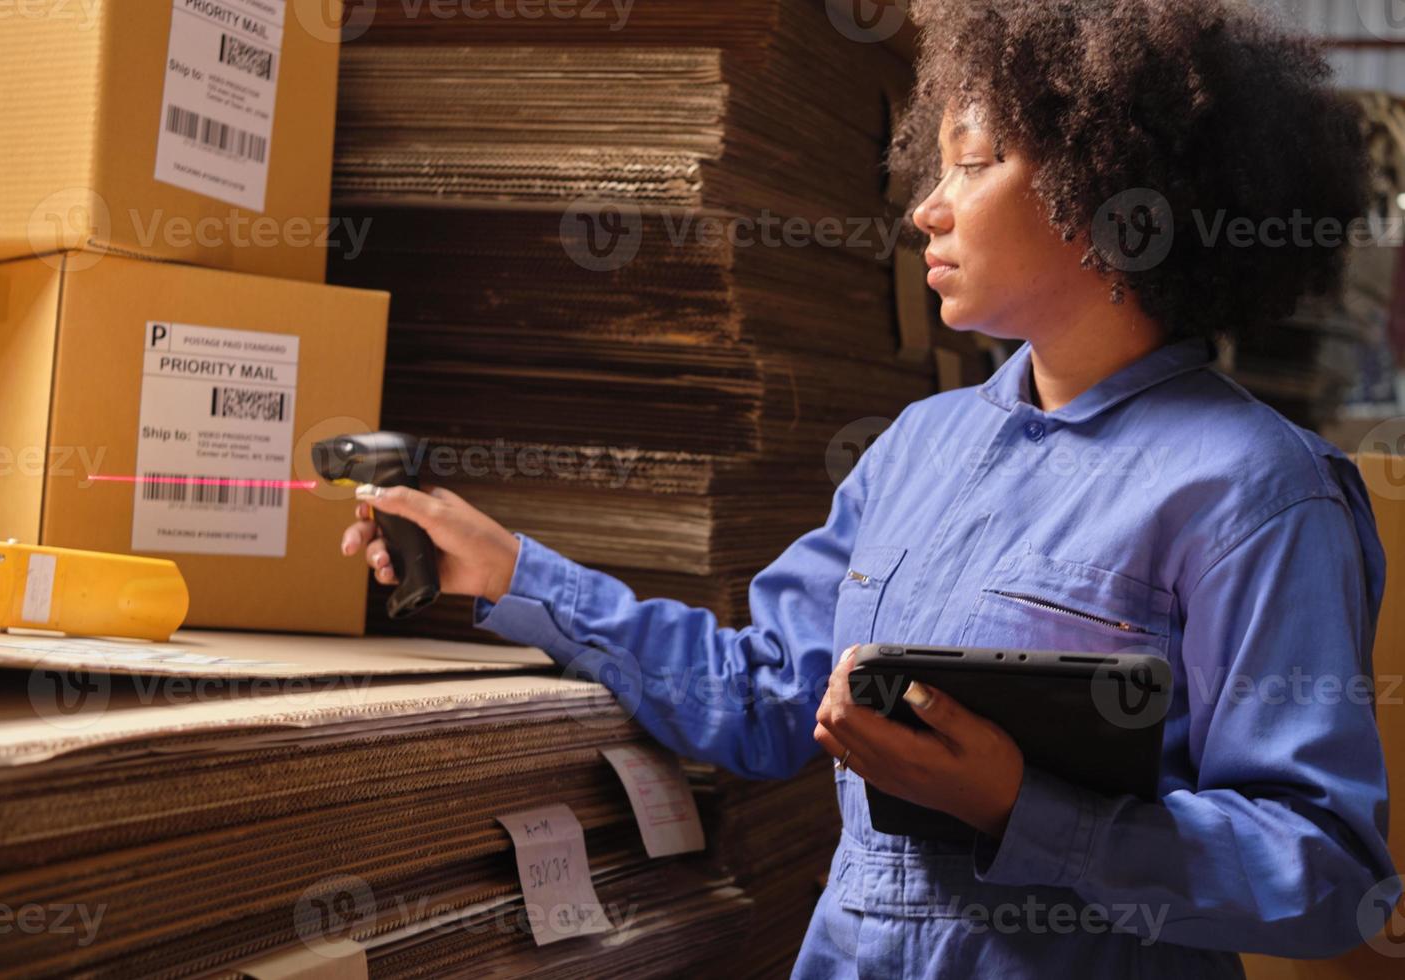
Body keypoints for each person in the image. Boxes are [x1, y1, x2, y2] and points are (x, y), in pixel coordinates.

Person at [340, 0, 1400, 975]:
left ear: (1111, 194)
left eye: (972, 165)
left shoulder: (1256, 491)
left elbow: (1324, 874)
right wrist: (513, 571)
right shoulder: (917, 447)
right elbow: (763, 698)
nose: (927, 212)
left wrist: (1019, 806)